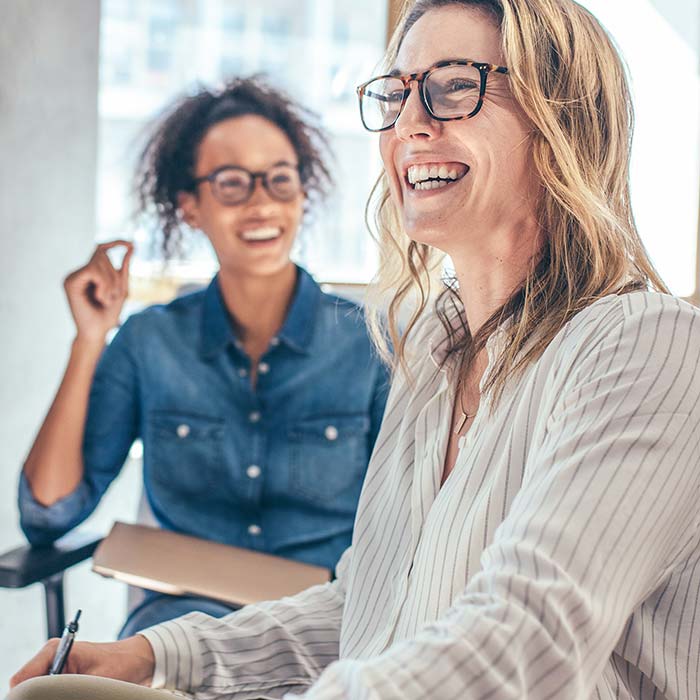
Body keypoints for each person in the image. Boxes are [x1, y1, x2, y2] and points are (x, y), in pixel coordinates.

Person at [9, 0, 700, 698]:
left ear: (562, 117)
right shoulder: (432, 352)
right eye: (397, 94)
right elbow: (367, 607)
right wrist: (158, 656)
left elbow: (526, 644)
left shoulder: (650, 349)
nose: (409, 124)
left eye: (453, 85)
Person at [16, 77, 389, 637]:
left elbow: (416, 526)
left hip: (326, 637)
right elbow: (48, 512)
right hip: (175, 636)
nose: (262, 202)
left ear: (302, 194)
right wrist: (89, 338)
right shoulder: (148, 342)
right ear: (189, 206)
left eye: (279, 180)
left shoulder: (373, 345)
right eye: (233, 183)